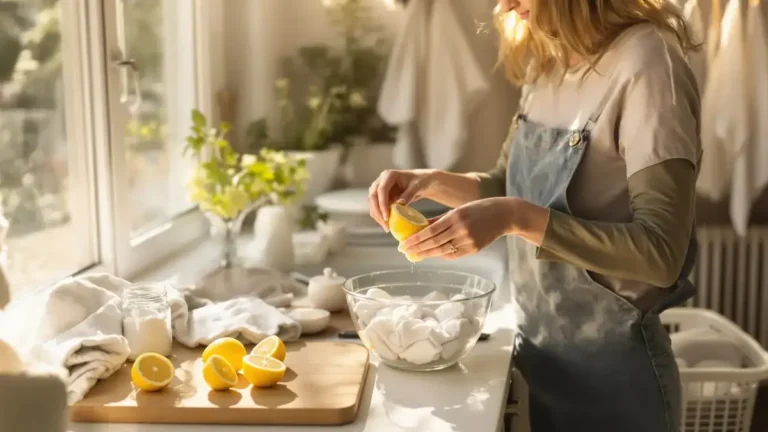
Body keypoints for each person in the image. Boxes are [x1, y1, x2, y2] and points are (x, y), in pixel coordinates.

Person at [367, 0, 702, 431]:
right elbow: (507, 185)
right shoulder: (549, 62)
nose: (504, 5)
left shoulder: (648, 64)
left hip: (616, 384)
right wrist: (429, 181)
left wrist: (514, 217)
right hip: (538, 366)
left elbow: (661, 254)